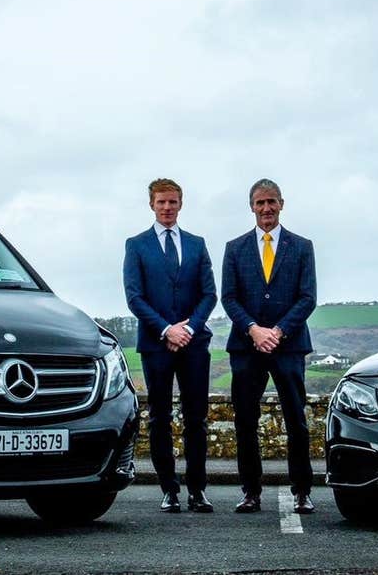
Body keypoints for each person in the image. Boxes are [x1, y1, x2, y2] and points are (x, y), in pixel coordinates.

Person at [221, 178, 317, 514]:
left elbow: (307, 297)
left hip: (288, 346)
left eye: (271, 201)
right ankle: (250, 492)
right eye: (260, 203)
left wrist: (277, 331)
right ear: (252, 207)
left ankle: (302, 491)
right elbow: (229, 297)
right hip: (246, 347)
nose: (266, 208)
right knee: (245, 421)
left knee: (296, 421)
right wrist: (253, 330)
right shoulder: (235, 248)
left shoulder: (301, 246)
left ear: (281, 204)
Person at [123, 178, 218, 513]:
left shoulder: (196, 244)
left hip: (193, 343)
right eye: (161, 202)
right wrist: (166, 330)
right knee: (159, 418)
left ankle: (197, 490)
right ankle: (169, 490)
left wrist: (188, 329)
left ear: (181, 204)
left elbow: (210, 294)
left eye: (173, 202)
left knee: (196, 419)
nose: (167, 207)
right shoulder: (136, 245)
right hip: (156, 344)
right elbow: (135, 297)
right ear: (152, 204)